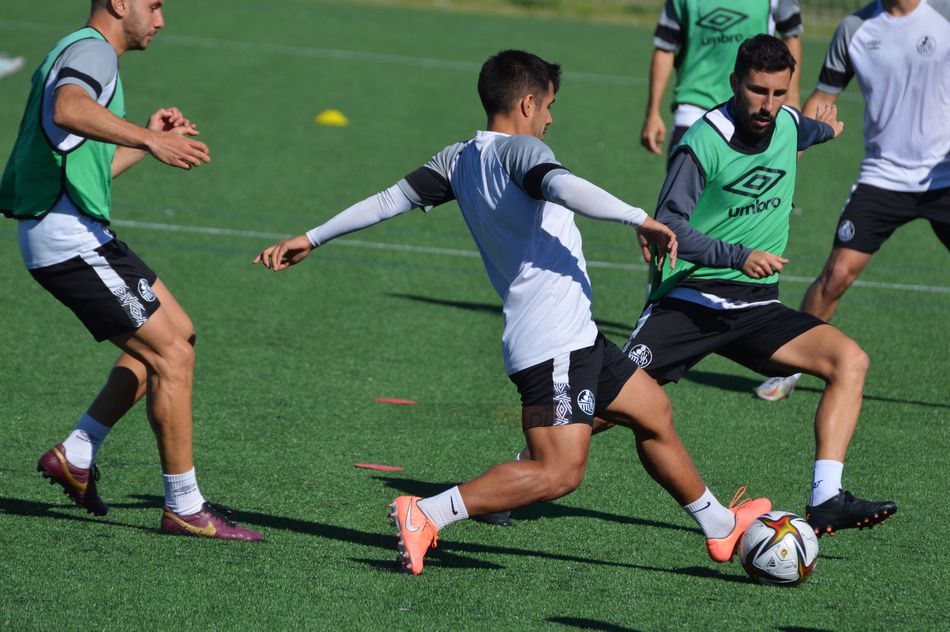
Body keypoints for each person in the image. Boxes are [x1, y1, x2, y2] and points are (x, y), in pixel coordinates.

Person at [254, 49, 772, 575]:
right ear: (527, 102)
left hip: (576, 334)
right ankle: (426, 512)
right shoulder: (520, 152)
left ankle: (720, 526)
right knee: (559, 474)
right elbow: (561, 185)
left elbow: (388, 200)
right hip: (552, 342)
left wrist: (312, 237)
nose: (551, 118)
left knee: (653, 412)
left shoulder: (458, 159)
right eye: (548, 106)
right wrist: (638, 217)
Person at [0, 0, 259, 541]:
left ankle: (77, 452)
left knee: (177, 334)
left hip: (80, 232)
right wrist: (151, 138)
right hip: (68, 240)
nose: (160, 20)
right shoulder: (93, 52)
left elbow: (86, 164)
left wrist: (142, 135)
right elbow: (70, 108)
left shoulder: (83, 52)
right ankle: (184, 506)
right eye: (154, 5)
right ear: (120, 3)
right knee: (173, 355)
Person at [622, 35, 896, 538]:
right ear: (734, 84)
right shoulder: (703, 141)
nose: (767, 105)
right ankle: (522, 472)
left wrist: (829, 129)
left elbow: (809, 127)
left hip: (756, 312)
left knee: (850, 361)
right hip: (691, 303)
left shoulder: (789, 123)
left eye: (777, 93)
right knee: (604, 404)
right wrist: (738, 256)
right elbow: (668, 224)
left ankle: (827, 498)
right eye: (756, 92)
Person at [756, 0, 950, 401]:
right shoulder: (854, 29)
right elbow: (822, 97)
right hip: (883, 178)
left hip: (943, 176)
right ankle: (790, 367)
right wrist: (788, 156)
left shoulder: (945, 14)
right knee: (836, 276)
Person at [641, 0, 804, 158]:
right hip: (694, 107)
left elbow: (791, 35)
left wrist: (792, 99)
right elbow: (665, 48)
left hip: (751, 111)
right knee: (683, 181)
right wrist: (653, 112)